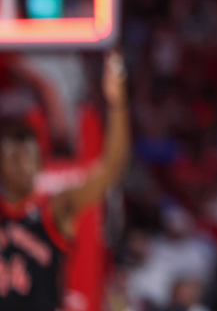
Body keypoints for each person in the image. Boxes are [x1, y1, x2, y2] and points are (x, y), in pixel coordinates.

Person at [0, 51, 130, 311]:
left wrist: (117, 105)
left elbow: (109, 169)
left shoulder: (53, 209)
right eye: (16, 155)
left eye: (30, 155)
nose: (26, 163)